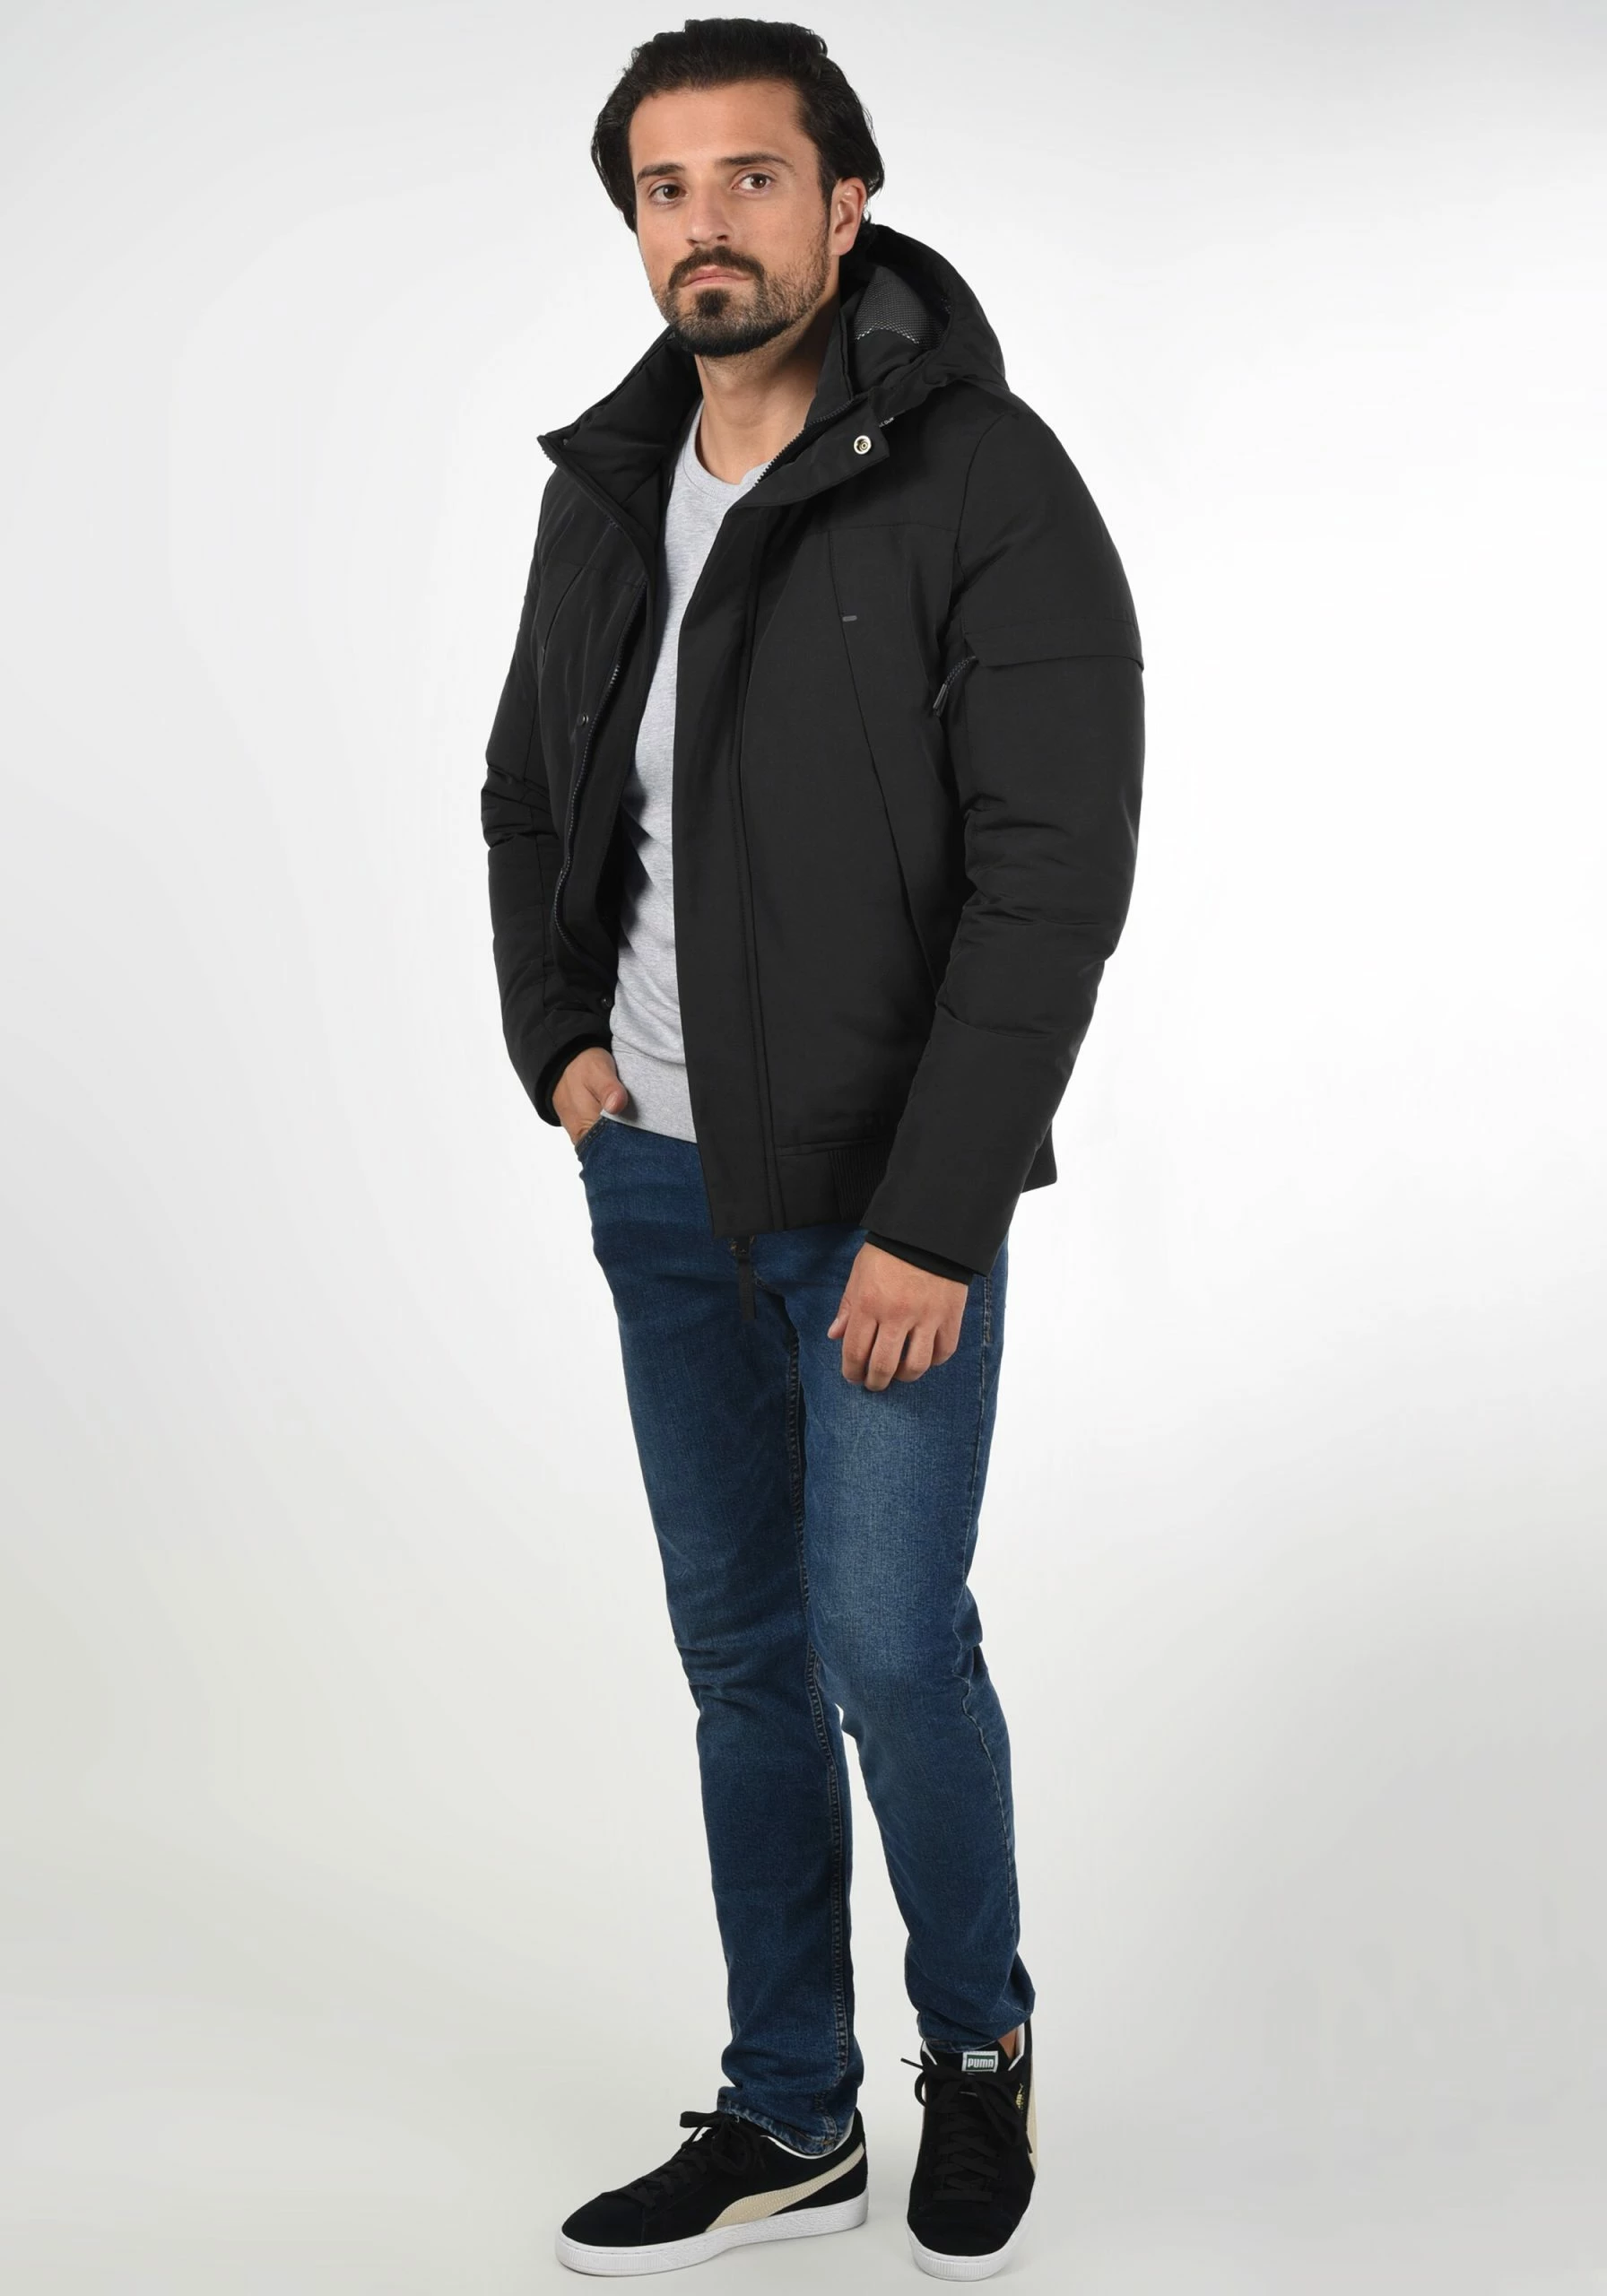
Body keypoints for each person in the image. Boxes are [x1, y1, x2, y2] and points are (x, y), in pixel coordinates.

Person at [480, 19, 1144, 2280]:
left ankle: (975, 2046)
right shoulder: (603, 487)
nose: (706, 225)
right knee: (740, 1655)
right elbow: (528, 797)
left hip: (878, 1202)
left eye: (750, 178)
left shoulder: (981, 479)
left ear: (843, 205)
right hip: (659, 1182)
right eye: (664, 189)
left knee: (883, 1641)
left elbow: (1049, 873)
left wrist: (935, 1217)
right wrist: (560, 1047)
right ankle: (788, 2109)